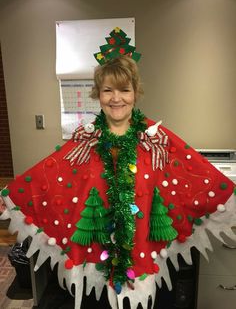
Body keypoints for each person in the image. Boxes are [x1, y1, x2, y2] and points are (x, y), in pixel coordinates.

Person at [0, 27, 236, 309]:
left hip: (144, 250)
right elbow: (50, 174)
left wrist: (228, 194)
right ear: (97, 93)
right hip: (97, 258)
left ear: (136, 92)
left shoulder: (155, 139)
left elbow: (192, 169)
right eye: (107, 90)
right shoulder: (86, 141)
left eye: (124, 90)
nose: (116, 98)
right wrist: (11, 197)